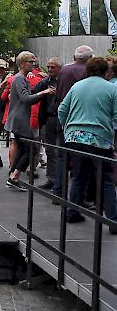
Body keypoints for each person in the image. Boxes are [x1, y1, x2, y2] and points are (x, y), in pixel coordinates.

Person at [58, 57, 117, 233]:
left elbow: (62, 109)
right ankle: (113, 220)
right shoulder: (111, 89)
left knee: (79, 176)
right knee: (106, 179)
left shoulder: (77, 86)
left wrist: (67, 128)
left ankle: (71, 211)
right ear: (105, 71)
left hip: (75, 138)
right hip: (100, 139)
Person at [4, 51, 55, 191]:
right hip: (20, 120)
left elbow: (30, 96)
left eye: (34, 62)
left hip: (19, 118)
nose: (33, 64)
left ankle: (13, 176)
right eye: (30, 62)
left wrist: (41, 89)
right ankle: (14, 177)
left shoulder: (22, 78)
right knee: (31, 149)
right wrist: (43, 92)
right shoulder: (20, 78)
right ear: (21, 63)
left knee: (23, 149)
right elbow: (26, 98)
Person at [51, 45, 93, 198]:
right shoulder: (88, 73)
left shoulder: (64, 71)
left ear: (75, 57)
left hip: (63, 119)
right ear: (89, 58)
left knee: (62, 156)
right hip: (81, 121)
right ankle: (78, 196)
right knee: (80, 160)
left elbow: (59, 95)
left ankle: (58, 191)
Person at [31, 57, 62, 189]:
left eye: (52, 67)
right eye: (48, 67)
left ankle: (59, 180)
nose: (49, 69)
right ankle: (51, 178)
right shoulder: (45, 81)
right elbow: (33, 93)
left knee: (59, 151)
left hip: (60, 119)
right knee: (49, 150)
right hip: (48, 118)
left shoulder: (63, 82)